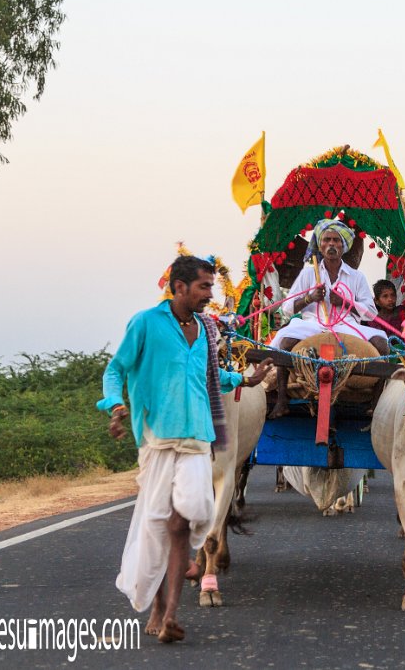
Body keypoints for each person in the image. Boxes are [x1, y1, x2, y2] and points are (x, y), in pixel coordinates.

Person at [98, 255, 273, 643]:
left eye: (211, 286)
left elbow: (212, 375)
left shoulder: (207, 329)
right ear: (179, 288)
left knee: (194, 514)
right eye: (203, 287)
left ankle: (172, 603)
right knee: (163, 527)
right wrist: (114, 405)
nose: (210, 295)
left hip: (198, 440)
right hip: (158, 441)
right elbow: (116, 369)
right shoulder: (145, 323)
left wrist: (247, 377)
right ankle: (166, 612)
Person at [269, 218, 390, 418]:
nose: (331, 244)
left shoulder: (356, 277)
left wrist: (343, 302)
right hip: (313, 325)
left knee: (382, 344)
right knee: (285, 342)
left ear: (343, 246)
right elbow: (288, 308)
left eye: (336, 240)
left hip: (347, 326)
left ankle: (376, 404)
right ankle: (282, 401)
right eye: (326, 240)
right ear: (320, 246)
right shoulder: (309, 273)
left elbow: (371, 312)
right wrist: (309, 298)